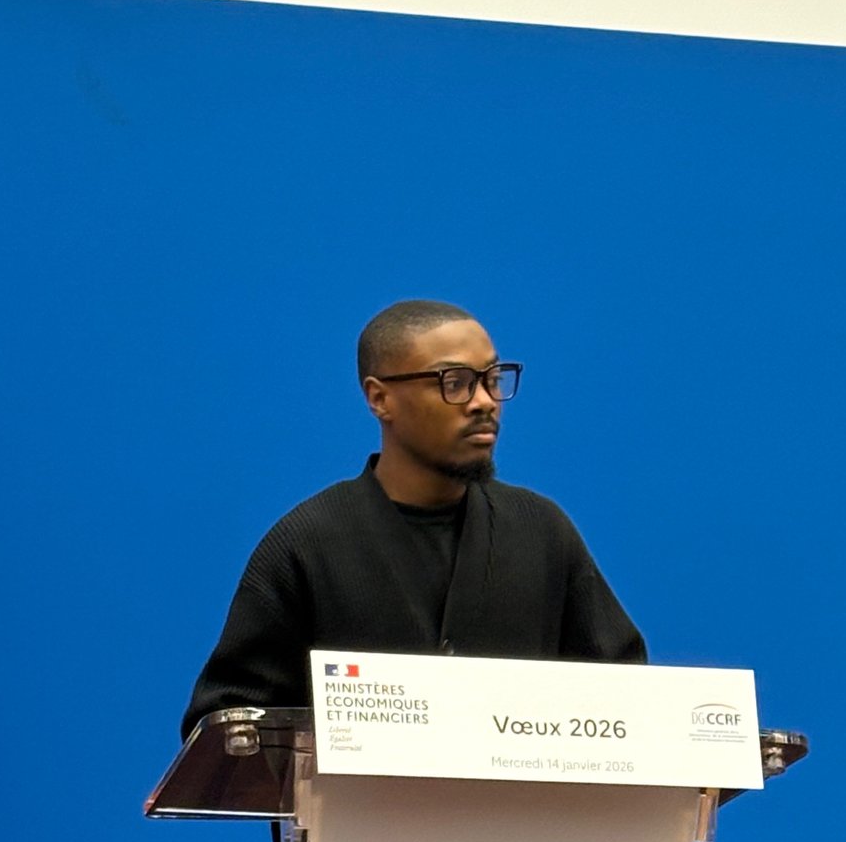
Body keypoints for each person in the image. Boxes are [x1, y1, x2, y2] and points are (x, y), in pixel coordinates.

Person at [182, 299, 645, 736]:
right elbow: (227, 728)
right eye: (455, 382)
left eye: (493, 378)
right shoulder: (307, 544)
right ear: (379, 398)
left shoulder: (540, 532)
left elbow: (630, 702)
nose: (484, 401)